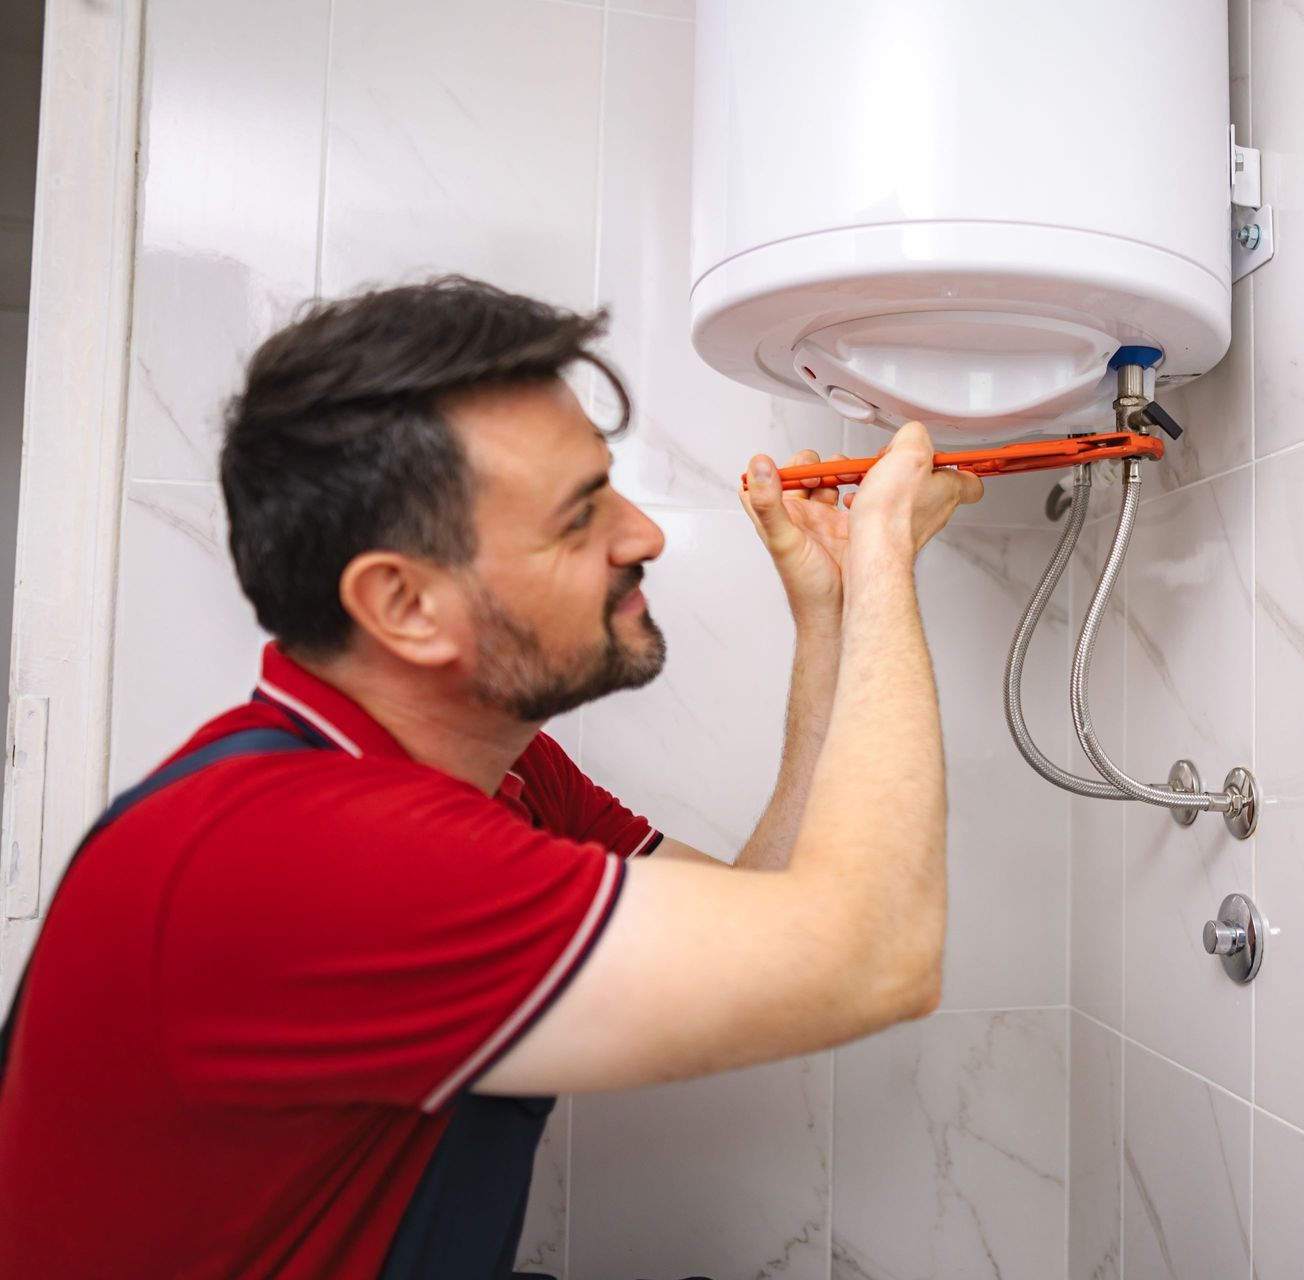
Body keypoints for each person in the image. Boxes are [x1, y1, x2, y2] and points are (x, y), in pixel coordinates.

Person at [0, 276, 982, 1277]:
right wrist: (890, 552)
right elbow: (871, 955)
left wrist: (839, 610)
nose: (643, 534)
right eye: (579, 516)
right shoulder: (308, 854)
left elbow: (775, 912)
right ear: (404, 604)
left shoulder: (498, 770)